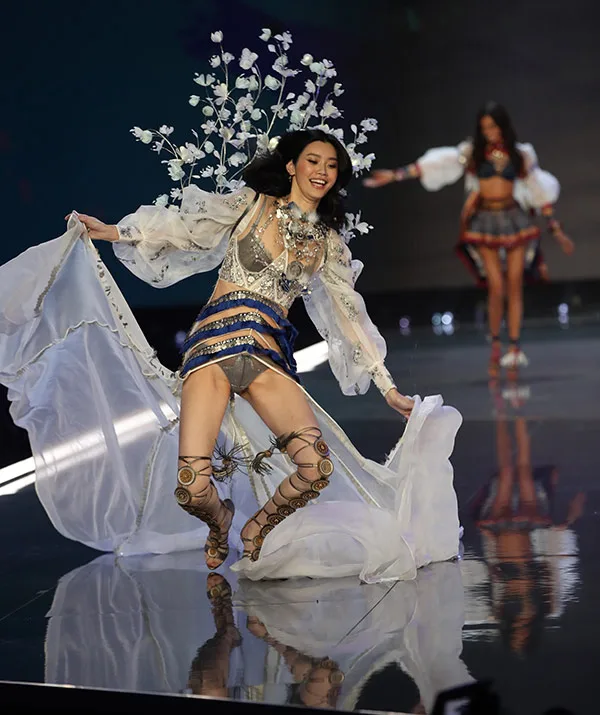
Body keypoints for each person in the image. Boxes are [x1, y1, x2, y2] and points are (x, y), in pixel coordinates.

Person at [0, 129, 462, 582]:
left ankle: (257, 526)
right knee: (191, 487)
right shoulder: (251, 204)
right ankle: (219, 518)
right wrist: (118, 232)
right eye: (313, 161)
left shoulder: (329, 244)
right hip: (211, 351)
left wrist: (387, 387)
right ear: (291, 166)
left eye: (331, 165)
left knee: (315, 467)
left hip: (267, 359)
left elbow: (350, 318)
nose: (322, 171)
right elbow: (184, 230)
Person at [364, 101, 575, 378]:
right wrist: (396, 175)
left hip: (514, 219)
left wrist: (556, 231)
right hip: (483, 221)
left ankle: (514, 347)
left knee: (514, 285)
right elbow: (438, 164)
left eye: (493, 126)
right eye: (484, 127)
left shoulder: (520, 154)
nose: (489, 132)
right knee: (496, 286)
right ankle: (496, 345)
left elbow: (539, 192)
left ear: (503, 126)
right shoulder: (472, 153)